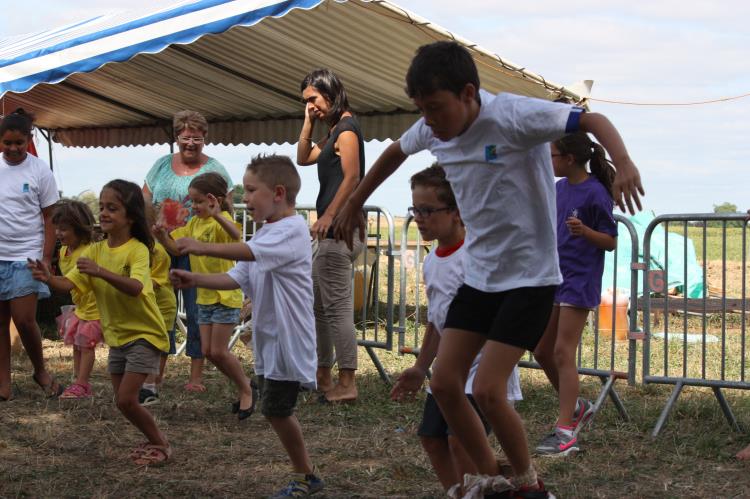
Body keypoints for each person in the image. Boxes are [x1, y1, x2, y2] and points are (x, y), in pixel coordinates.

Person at [332, 41, 644, 498]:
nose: (430, 121)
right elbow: (396, 152)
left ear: (468, 93)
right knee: (444, 382)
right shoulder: (433, 128)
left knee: (491, 389)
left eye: (436, 108)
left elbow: (591, 120)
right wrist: (355, 201)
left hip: (530, 279)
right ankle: (489, 477)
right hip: (480, 277)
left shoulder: (514, 116)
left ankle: (528, 482)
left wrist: (625, 163)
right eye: (422, 110)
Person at [170, 155, 323, 498]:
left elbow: (246, 254)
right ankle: (305, 473)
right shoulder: (267, 232)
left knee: (276, 409)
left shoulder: (292, 229)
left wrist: (200, 245)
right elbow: (236, 276)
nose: (245, 198)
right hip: (270, 339)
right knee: (274, 409)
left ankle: (305, 476)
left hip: (288, 339)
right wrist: (193, 277)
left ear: (279, 192)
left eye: (252, 190)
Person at [390, 165, 522, 497]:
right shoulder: (432, 260)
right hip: (447, 375)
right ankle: (460, 493)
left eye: (427, 210)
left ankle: (497, 489)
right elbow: (437, 321)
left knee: (460, 441)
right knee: (432, 438)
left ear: (457, 211)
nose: (419, 218)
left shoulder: (476, 257)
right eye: (415, 209)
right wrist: (421, 367)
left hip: (479, 371)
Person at [29, 179, 172, 465]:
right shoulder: (95, 250)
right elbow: (69, 283)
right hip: (117, 336)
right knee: (123, 401)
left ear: (130, 216)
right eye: (102, 207)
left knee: (126, 400)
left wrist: (101, 272)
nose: (104, 213)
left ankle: (162, 444)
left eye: (112, 208)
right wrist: (48, 278)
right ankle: (153, 439)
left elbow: (135, 287)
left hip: (145, 334)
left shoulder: (137, 250)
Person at [532, 132, 618, 457]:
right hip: (555, 277)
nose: (549, 161)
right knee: (542, 350)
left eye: (553, 155)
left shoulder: (595, 192)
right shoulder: (558, 189)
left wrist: (586, 233)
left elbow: (610, 241)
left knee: (563, 353)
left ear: (569, 159)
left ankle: (565, 430)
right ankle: (578, 406)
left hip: (580, 280)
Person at [143, 110, 233, 392]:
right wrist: (150, 230)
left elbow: (227, 207)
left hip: (199, 248)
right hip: (163, 245)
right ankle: (156, 373)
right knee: (160, 307)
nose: (191, 143)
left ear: (205, 139)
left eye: (197, 137)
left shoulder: (216, 169)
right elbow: (144, 199)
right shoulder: (160, 165)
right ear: (176, 137)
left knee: (197, 309)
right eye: (185, 137)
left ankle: (196, 376)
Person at [154, 172, 254, 419]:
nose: (193, 206)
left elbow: (234, 236)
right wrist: (161, 236)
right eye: (192, 202)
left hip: (225, 295)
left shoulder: (223, 220)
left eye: (198, 201)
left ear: (213, 199)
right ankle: (246, 385)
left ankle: (247, 389)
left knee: (218, 351)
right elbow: (176, 247)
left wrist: (218, 213)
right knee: (209, 351)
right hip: (204, 297)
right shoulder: (194, 224)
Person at [296, 69, 365, 403]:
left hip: (340, 230)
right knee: (320, 307)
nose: (311, 107)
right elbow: (302, 157)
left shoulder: (348, 130)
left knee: (336, 309)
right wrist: (307, 122)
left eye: (314, 100)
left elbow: (352, 178)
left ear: (331, 93)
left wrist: (328, 215)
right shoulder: (335, 131)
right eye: (306, 102)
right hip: (331, 234)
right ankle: (323, 373)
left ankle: (347, 381)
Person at [0, 108, 63, 401]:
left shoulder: (40, 171)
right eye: (7, 143)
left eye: (19, 143)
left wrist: (46, 257)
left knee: (24, 319)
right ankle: (4, 383)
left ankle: (40, 370)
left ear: (29, 139)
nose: (13, 149)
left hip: (27, 255)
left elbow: (50, 216)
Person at [52, 200, 103, 399]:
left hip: (94, 307)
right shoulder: (64, 251)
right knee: (76, 342)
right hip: (80, 305)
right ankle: (77, 379)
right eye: (57, 229)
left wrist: (47, 278)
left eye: (64, 229)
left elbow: (67, 282)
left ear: (80, 228)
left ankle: (82, 383)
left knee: (86, 344)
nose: (58, 233)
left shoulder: (88, 251)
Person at [138, 226, 177, 406]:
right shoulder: (135, 248)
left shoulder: (158, 251)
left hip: (162, 306)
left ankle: (151, 385)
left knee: (158, 346)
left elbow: (154, 282)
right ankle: (150, 382)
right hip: (145, 305)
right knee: (147, 344)